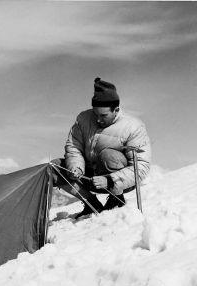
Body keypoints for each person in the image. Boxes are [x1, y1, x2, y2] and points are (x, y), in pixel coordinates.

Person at [52, 77, 151, 219]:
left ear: (116, 109)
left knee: (108, 155)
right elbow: (74, 146)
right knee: (55, 168)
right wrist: (76, 167)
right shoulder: (83, 118)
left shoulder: (134, 127)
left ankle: (116, 199)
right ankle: (91, 203)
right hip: (89, 176)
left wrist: (110, 180)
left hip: (117, 181)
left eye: (103, 115)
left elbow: (141, 167)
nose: (98, 119)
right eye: (95, 114)